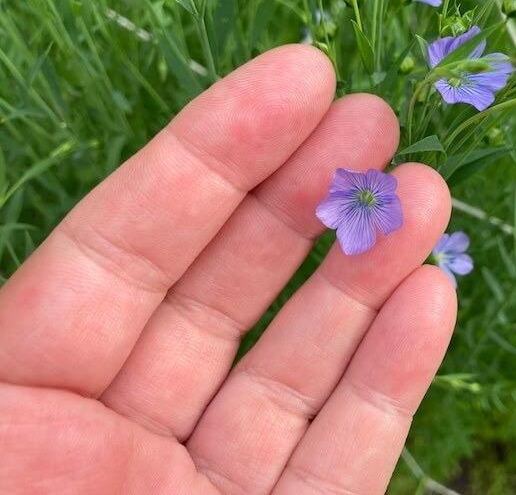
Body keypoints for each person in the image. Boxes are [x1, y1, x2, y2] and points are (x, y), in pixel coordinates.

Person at [0, 45, 456, 494]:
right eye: (365, 196)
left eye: (371, 199)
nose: (368, 200)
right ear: (361, 190)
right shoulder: (354, 194)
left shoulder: (373, 204)